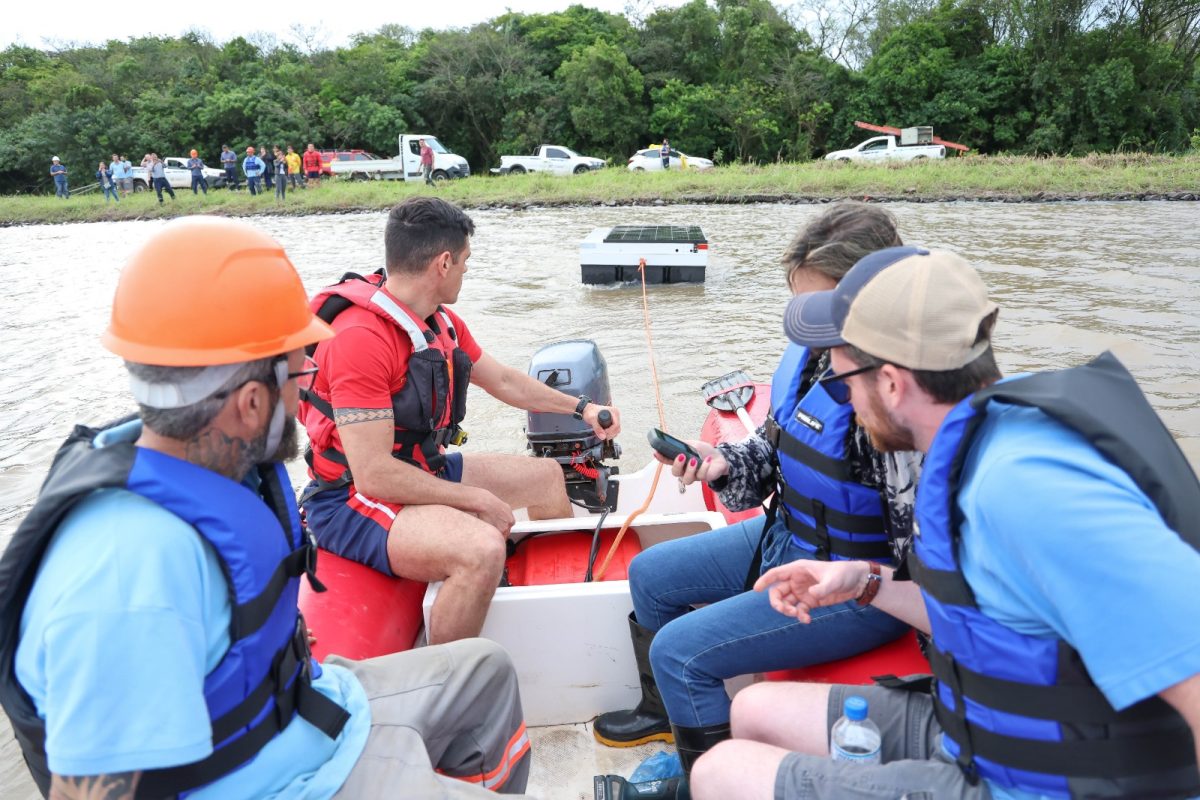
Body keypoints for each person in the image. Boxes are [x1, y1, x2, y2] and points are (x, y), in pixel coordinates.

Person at [0, 216, 534, 800]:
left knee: (485, 670)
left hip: (313, 707)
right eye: (300, 371)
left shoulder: (218, 465)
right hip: (285, 782)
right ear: (252, 402)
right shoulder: (129, 570)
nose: (308, 391)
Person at [693, 245, 1200, 799]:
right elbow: (982, 612)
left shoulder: (1029, 487)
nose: (846, 403)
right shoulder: (978, 438)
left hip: (1041, 781)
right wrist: (865, 582)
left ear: (890, 382)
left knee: (719, 774)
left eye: (842, 385)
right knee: (755, 708)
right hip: (976, 731)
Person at [592, 204, 919, 781]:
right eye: (802, 307)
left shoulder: (899, 402)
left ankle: (701, 782)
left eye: (823, 310)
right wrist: (719, 465)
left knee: (680, 653)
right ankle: (666, 715)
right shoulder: (820, 355)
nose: (811, 327)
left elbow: (922, 562)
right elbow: (772, 453)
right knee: (650, 575)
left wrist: (862, 583)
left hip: (854, 584)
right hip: (789, 535)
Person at [298, 196, 622, 645]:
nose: (468, 271)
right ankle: (451, 680)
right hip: (349, 500)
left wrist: (581, 408)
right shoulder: (360, 340)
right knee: (481, 549)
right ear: (444, 262)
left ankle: (558, 616)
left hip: (417, 467)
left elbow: (506, 381)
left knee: (548, 477)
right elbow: (372, 474)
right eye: (466, 261)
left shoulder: (437, 321)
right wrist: (472, 499)